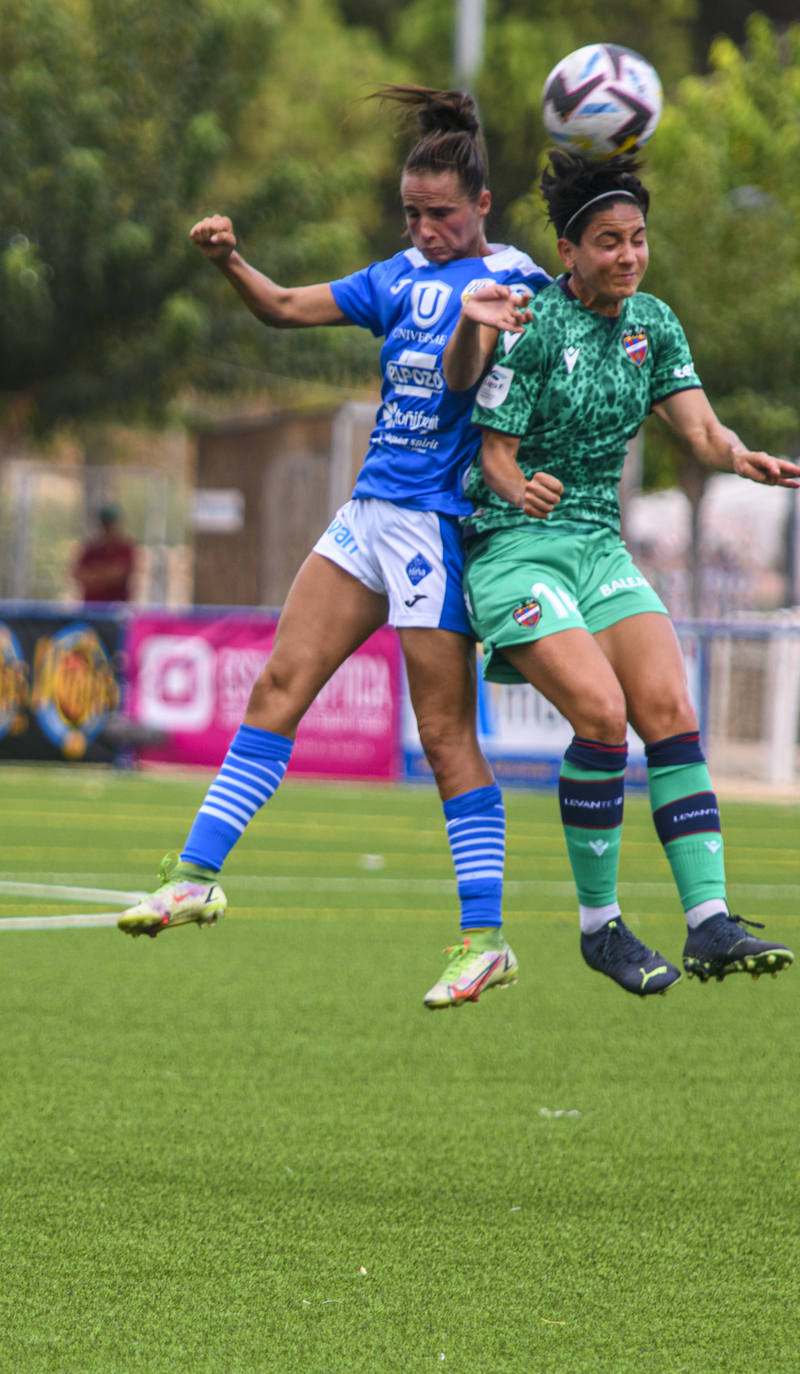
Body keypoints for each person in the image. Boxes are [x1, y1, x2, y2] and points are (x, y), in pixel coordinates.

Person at [117, 86, 551, 1011]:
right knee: (280, 683)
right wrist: (231, 261)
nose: (425, 229)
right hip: (368, 511)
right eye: (411, 214)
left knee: (442, 735)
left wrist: (478, 317)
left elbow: (479, 384)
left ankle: (485, 939)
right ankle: (195, 874)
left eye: (441, 214)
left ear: (482, 206)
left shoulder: (519, 281)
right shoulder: (394, 278)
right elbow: (279, 307)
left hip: (438, 522)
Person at [457, 149, 800, 995]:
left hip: (599, 547)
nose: (628, 255)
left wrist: (737, 456)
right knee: (604, 714)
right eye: (607, 242)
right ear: (569, 252)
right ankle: (599, 927)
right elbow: (493, 455)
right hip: (514, 546)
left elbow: (701, 429)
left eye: (638, 238)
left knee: (670, 709)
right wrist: (519, 488)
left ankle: (708, 922)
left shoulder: (655, 322)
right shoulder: (531, 324)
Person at [73, 504, 135, 603]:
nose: (107, 529)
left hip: (116, 608)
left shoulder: (125, 548)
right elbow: (78, 575)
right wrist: (106, 573)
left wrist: (94, 572)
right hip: (91, 608)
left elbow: (118, 575)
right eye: (105, 525)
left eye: (110, 525)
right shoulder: (91, 548)